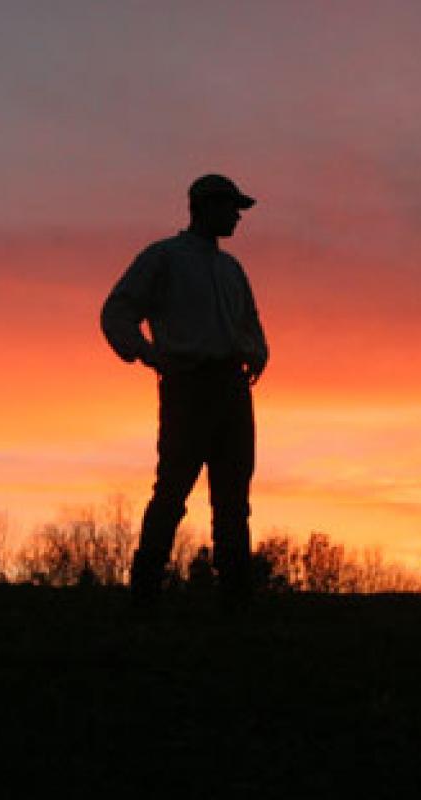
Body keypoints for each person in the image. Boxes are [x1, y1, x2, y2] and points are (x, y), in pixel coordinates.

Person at [101, 174, 269, 611]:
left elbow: (250, 321)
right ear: (205, 207)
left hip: (233, 389)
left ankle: (235, 597)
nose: (237, 217)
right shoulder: (164, 258)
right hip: (187, 388)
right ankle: (145, 591)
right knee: (173, 489)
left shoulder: (231, 269)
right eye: (231, 208)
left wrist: (257, 353)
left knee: (233, 497)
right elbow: (117, 311)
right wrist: (146, 353)